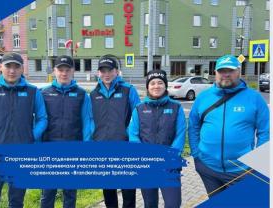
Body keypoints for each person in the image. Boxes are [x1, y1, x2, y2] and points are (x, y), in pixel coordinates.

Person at [0, 52, 48, 208]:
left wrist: (31, 136)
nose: (12, 70)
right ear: (1, 67)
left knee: (16, 203)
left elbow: (42, 119)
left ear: (22, 69)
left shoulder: (33, 92)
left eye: (16, 67)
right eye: (8, 66)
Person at [188, 54, 269, 196]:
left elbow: (265, 132)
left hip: (241, 171)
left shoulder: (254, 98)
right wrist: (196, 154)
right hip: (208, 168)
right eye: (222, 71)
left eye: (230, 71)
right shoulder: (203, 97)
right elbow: (193, 126)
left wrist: (257, 164)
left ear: (239, 71)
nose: (226, 74)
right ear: (216, 73)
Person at [129, 69, 186, 208]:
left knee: (173, 204)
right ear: (148, 86)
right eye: (152, 83)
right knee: (150, 204)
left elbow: (180, 134)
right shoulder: (139, 109)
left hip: (170, 165)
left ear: (165, 86)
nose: (156, 86)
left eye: (160, 82)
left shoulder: (176, 107)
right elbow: (133, 135)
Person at [40, 55, 92, 208]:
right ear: (54, 71)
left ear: (73, 71)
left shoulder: (82, 95)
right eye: (60, 70)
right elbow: (38, 121)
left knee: (70, 193)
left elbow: (87, 122)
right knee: (47, 192)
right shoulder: (43, 93)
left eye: (67, 70)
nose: (64, 73)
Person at [90, 55, 140, 208]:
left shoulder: (128, 90)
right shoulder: (93, 94)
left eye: (110, 70)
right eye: (103, 70)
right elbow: (90, 120)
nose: (106, 74)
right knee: (109, 191)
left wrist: (131, 139)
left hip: (125, 147)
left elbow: (138, 118)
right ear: (99, 73)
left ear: (116, 71)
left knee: (128, 190)